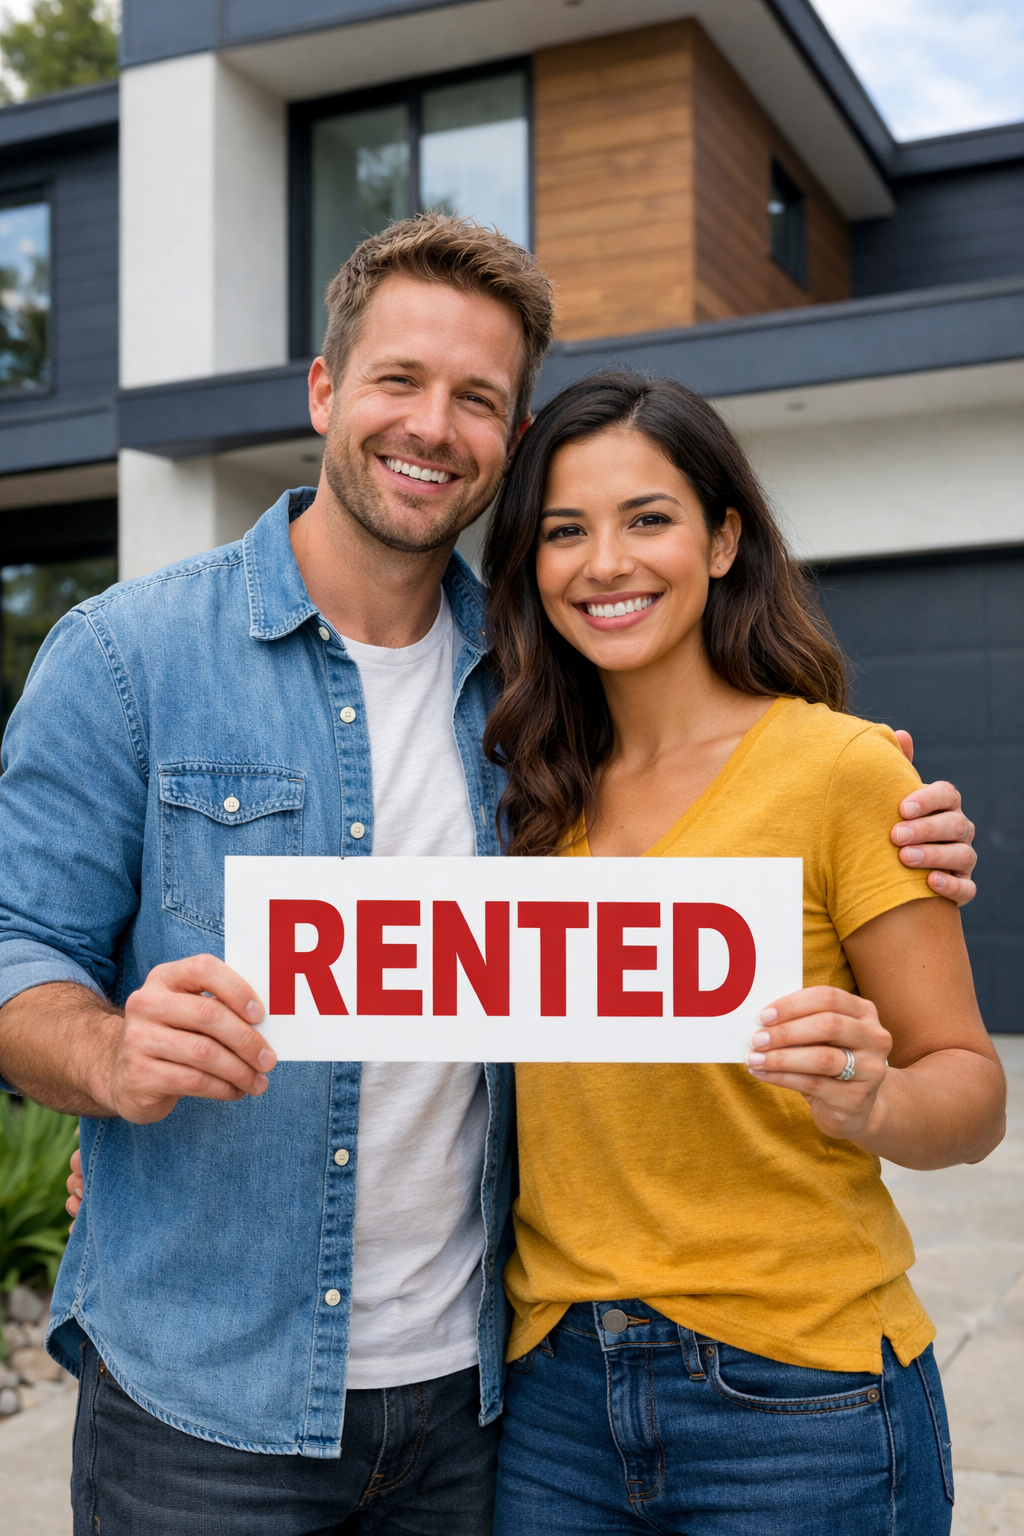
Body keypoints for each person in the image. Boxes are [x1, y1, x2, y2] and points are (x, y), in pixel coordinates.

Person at [2, 216, 974, 1536]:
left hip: (478, 1407)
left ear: (507, 442)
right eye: (400, 379)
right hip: (206, 1401)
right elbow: (22, 957)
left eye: (478, 398)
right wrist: (109, 1055)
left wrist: (869, 813)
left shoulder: (535, 698)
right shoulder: (125, 657)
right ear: (325, 391)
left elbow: (743, 781)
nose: (432, 425)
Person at [481, 372, 1005, 1536]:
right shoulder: (519, 796)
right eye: (564, 530)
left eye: (647, 518)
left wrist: (873, 1102)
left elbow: (969, 1093)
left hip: (797, 1395)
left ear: (723, 541)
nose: (603, 562)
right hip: (553, 1398)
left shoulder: (844, 771)